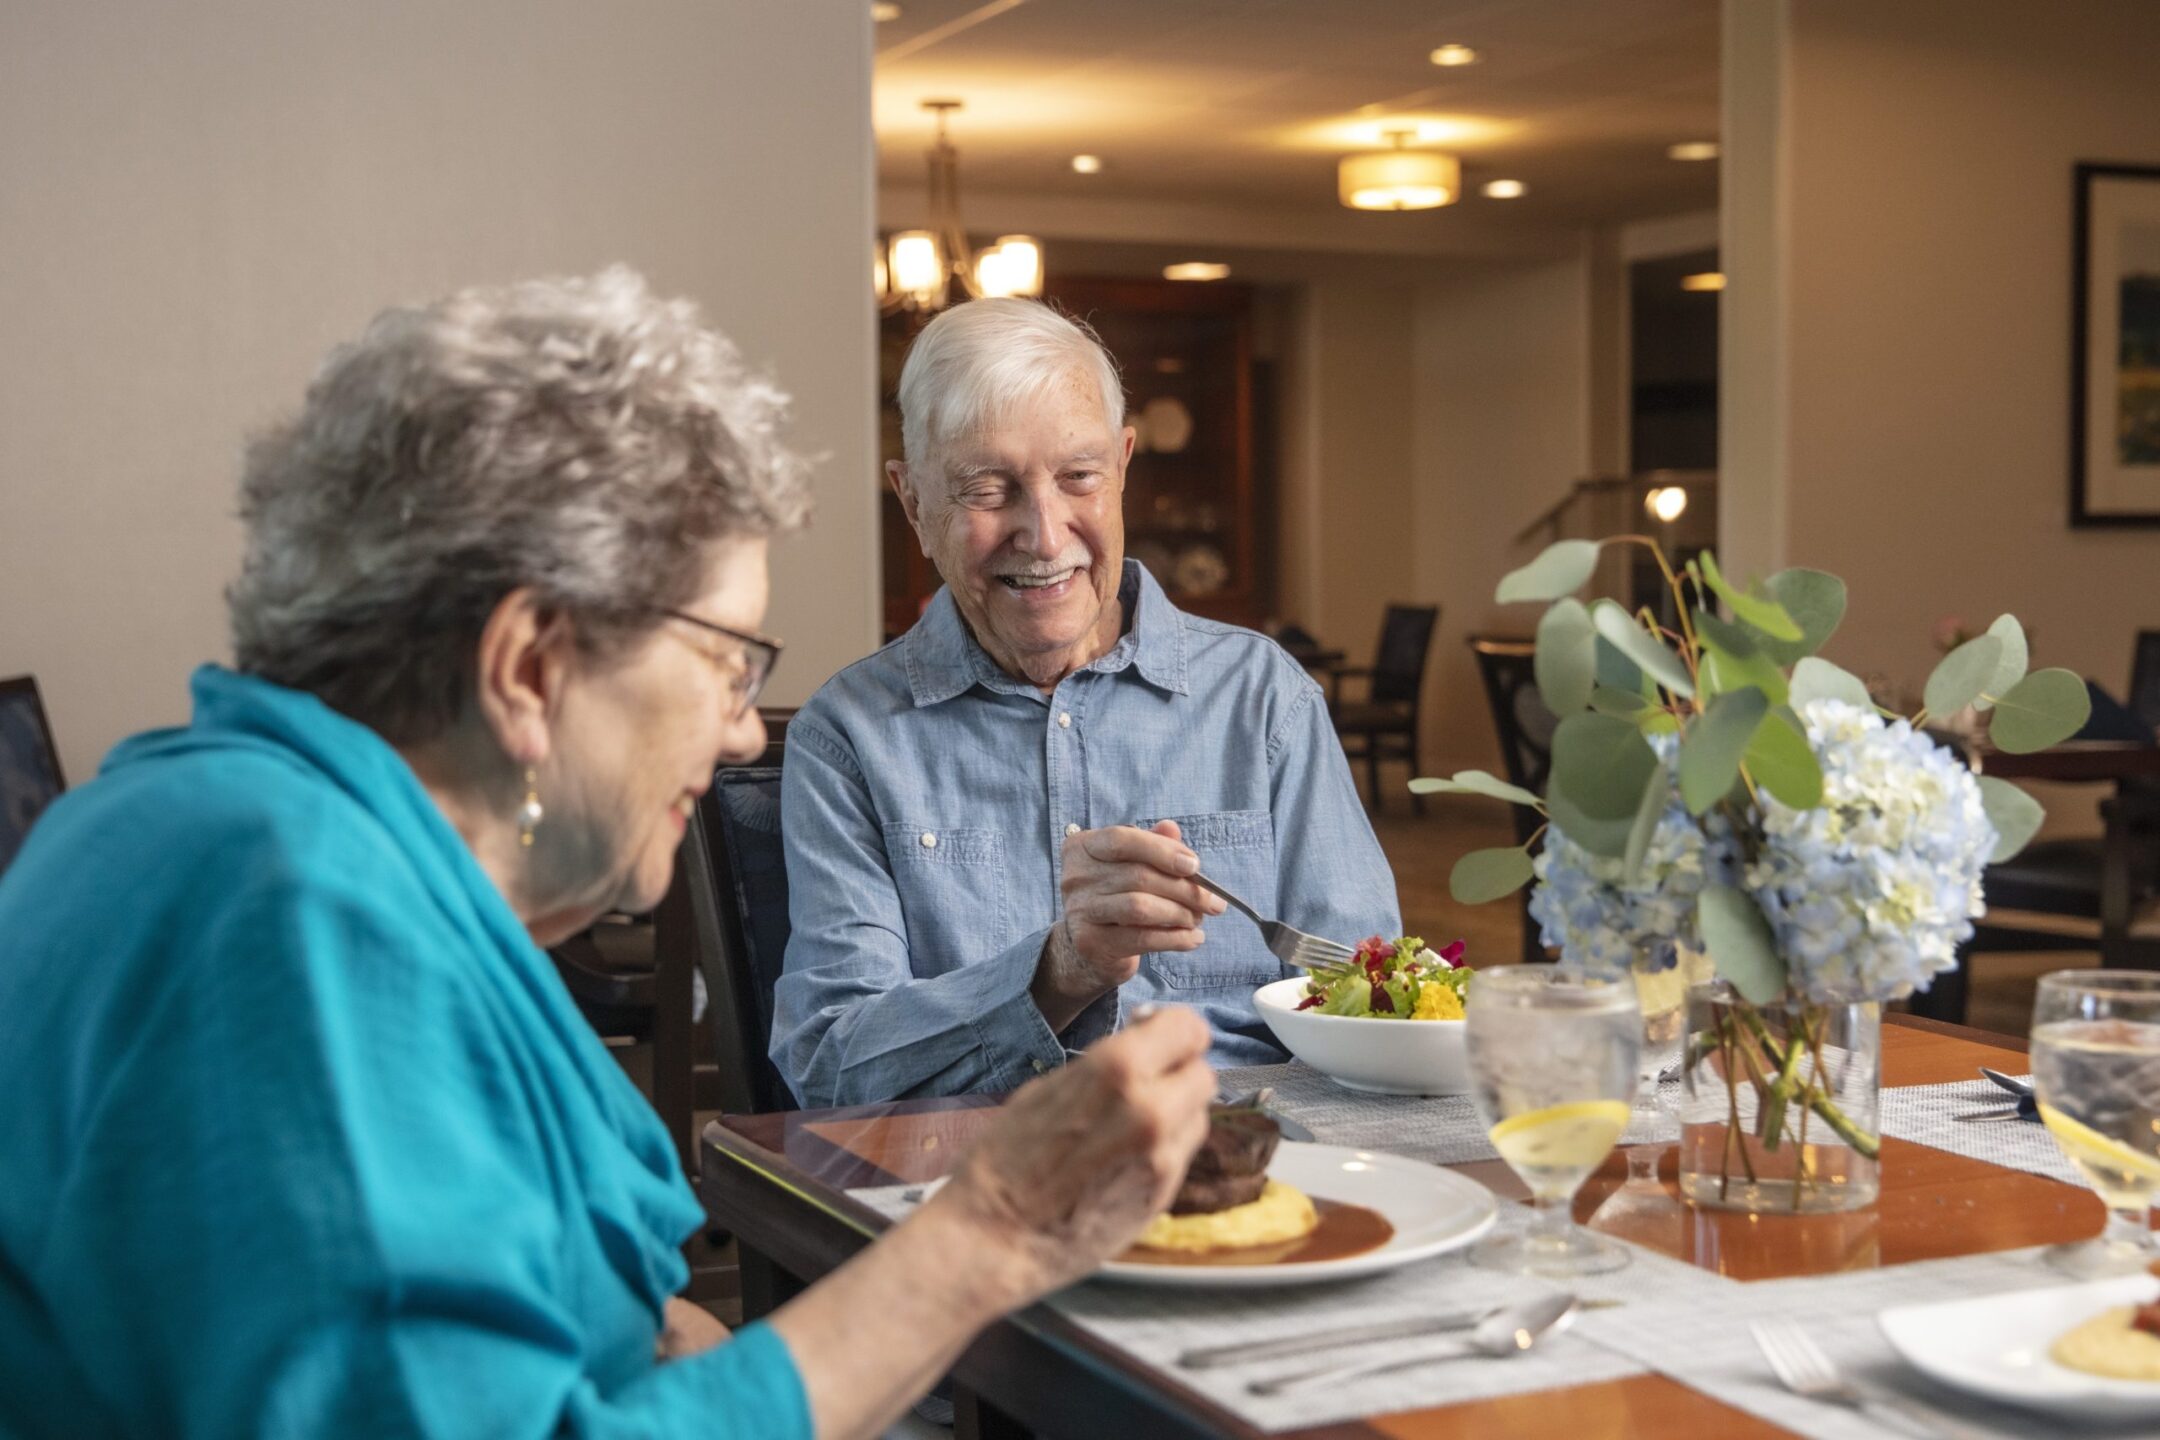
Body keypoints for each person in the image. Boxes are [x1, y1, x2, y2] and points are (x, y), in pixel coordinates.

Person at [0, 270, 1216, 1439]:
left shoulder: (252, 829)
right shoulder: (296, 920)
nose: (746, 724)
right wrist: (992, 1231)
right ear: (530, 668)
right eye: (725, 660)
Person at [772, 299, 1400, 1109]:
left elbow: (1374, 1001)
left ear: (1125, 464)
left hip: (1255, 1159)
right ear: (911, 502)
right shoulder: (849, 737)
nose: (1043, 532)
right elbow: (831, 1067)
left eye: (1078, 477)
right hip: (987, 1180)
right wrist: (1058, 972)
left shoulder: (1264, 699)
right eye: (987, 488)